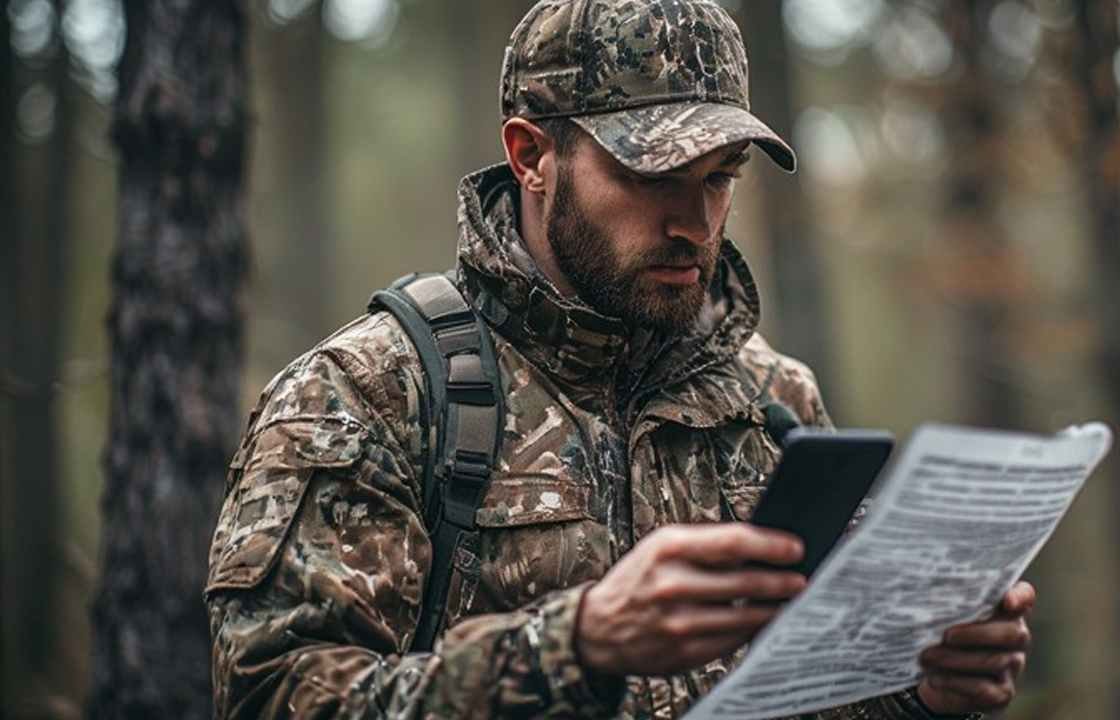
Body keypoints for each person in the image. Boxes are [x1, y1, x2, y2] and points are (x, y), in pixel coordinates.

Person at [205, 1, 1034, 717]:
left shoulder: (772, 400)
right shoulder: (368, 395)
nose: (696, 223)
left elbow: (820, 695)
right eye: (653, 174)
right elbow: (277, 697)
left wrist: (924, 692)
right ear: (532, 156)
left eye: (720, 177)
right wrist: (573, 649)